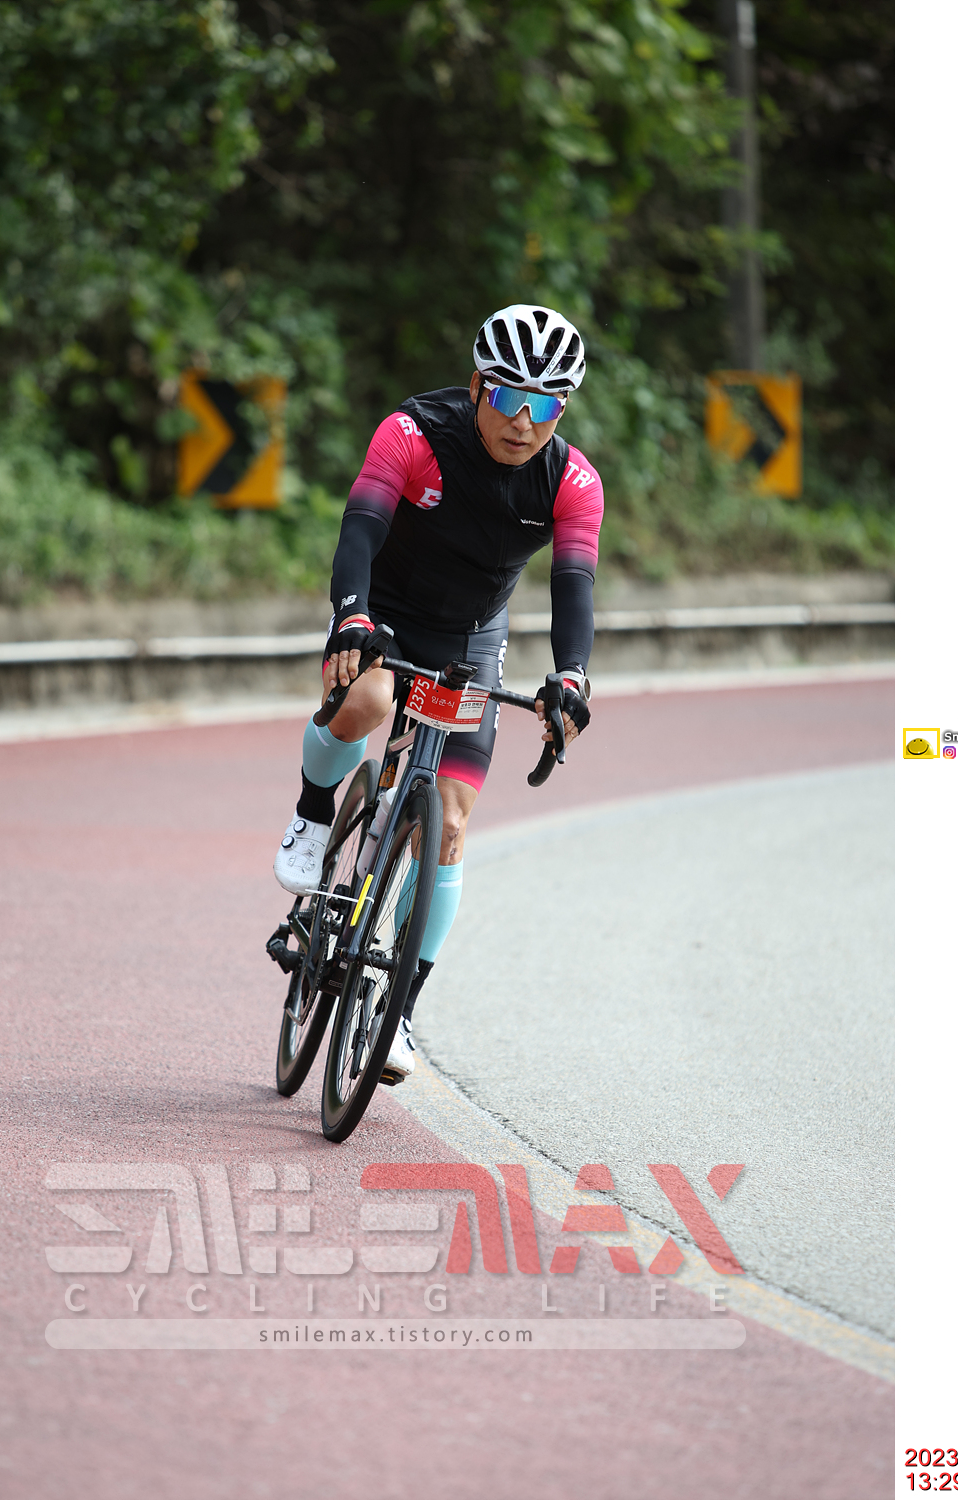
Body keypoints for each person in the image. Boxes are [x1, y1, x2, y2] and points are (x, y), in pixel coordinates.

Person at [273, 304, 602, 1083]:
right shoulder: (414, 433)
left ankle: (398, 1015)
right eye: (508, 397)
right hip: (385, 615)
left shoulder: (572, 481)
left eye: (546, 405)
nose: (524, 421)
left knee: (449, 825)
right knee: (369, 705)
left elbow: (574, 587)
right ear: (477, 385)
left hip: (470, 639)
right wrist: (351, 617)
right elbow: (361, 526)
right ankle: (313, 816)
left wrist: (571, 677)